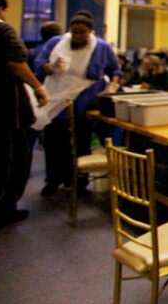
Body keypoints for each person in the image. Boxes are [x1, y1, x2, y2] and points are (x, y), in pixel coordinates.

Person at [0, 0, 49, 231]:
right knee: (9, 159)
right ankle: (1, 210)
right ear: (0, 9)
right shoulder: (1, 29)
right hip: (3, 108)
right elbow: (15, 63)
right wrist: (38, 87)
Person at [35, 12, 121, 197]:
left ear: (91, 32)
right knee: (54, 143)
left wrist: (113, 85)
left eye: (82, 33)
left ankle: (78, 181)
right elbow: (40, 64)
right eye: (74, 32)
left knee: (81, 142)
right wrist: (53, 67)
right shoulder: (55, 43)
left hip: (85, 102)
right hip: (57, 100)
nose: (78, 37)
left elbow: (115, 69)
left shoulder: (101, 47)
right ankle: (53, 180)